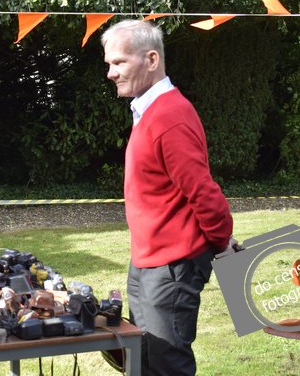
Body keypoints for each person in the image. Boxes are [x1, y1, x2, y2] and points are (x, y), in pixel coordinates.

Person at [101, 19, 238, 376]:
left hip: (172, 266)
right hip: (149, 262)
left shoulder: (169, 115)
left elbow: (203, 192)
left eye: (119, 62)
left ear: (151, 60)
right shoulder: (149, 111)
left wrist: (221, 241)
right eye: (109, 64)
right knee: (142, 359)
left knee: (166, 364)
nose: (111, 73)